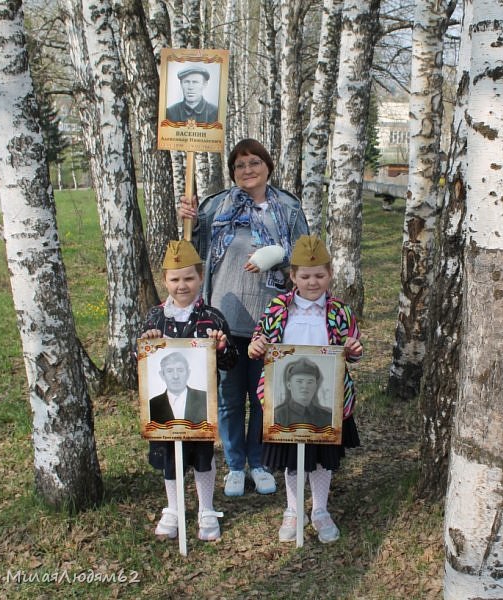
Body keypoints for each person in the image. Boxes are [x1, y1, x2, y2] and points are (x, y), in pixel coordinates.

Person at [178, 138, 309, 497]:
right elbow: (193, 251)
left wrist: (279, 255)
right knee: (230, 398)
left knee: (263, 397)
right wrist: (187, 220)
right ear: (232, 172)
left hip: (270, 321)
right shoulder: (216, 205)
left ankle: (260, 461)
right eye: (239, 165)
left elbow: (305, 259)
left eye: (254, 163)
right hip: (224, 317)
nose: (247, 170)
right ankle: (236, 465)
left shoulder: (288, 207)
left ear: (268, 166)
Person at [248, 235, 363, 544]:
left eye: (320, 275)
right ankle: (294, 509)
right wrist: (256, 346)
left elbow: (352, 347)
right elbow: (259, 340)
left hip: (327, 397)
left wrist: (352, 348)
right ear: (293, 277)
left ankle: (321, 509)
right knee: (292, 457)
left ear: (330, 275)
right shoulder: (277, 308)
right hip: (286, 397)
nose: (313, 282)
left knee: (322, 456)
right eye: (305, 276)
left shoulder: (340, 311)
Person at [141, 240, 237, 542]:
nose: (182, 286)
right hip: (165, 407)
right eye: (174, 279)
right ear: (165, 280)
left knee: (202, 457)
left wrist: (221, 346)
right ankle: (173, 507)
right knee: (171, 456)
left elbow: (231, 361)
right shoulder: (155, 317)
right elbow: (143, 361)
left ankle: (206, 508)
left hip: (200, 404)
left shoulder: (213, 317)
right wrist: (147, 343)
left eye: (189, 278)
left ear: (200, 277)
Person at [149, 352, 207, 425]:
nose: (175, 376)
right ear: (162, 375)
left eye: (180, 370)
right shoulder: (152, 405)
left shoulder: (205, 398)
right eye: (169, 371)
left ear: (188, 373)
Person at [275, 358, 332, 429]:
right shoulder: (277, 416)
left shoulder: (327, 417)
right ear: (289, 385)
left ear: (316, 386)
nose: (305, 386)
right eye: (299, 381)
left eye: (310, 382)